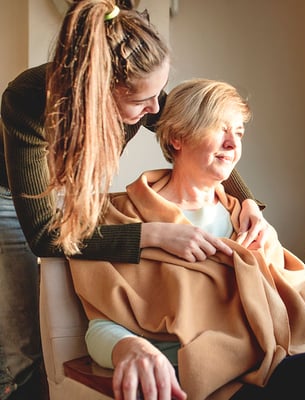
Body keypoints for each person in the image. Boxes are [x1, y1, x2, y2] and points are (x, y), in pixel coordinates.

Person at [0, 1, 267, 399]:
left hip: (73, 184)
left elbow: (188, 128)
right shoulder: (27, 101)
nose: (154, 110)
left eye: (159, 94)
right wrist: (151, 234)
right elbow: (43, 235)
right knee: (21, 337)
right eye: (143, 102)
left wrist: (245, 200)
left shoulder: (143, 89)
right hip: (5, 191)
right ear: (99, 92)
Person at [69, 79, 305, 400]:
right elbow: (100, 325)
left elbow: (292, 312)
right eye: (219, 129)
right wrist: (130, 346)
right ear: (178, 137)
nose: (233, 144)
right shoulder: (120, 218)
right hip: (187, 378)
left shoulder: (246, 219)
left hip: (261, 365)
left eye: (238, 133)